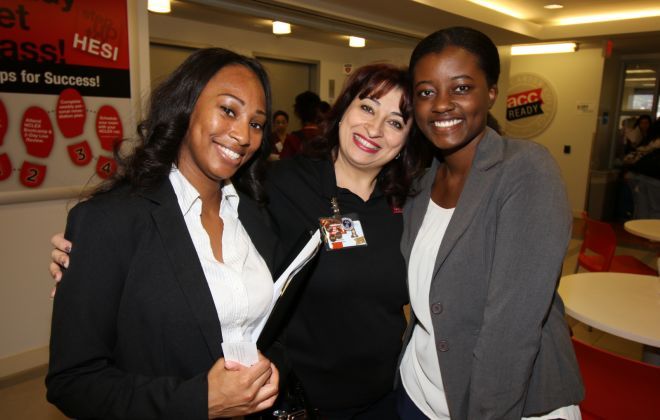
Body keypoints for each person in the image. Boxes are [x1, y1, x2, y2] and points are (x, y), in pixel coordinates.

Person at [50, 63, 426, 418]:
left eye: (395, 121)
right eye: (367, 107)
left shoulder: (411, 204)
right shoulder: (277, 185)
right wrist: (87, 262)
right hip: (302, 397)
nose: (375, 128)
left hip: (384, 395)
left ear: (408, 137)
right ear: (343, 109)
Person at [46, 48, 279, 420]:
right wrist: (200, 400)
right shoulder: (110, 220)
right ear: (186, 105)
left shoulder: (254, 216)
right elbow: (72, 381)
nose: (242, 135)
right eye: (229, 110)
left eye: (256, 123)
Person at [397, 27, 584, 419]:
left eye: (461, 88)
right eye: (426, 92)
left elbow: (511, 332)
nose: (442, 105)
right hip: (421, 391)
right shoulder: (421, 184)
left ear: (492, 93)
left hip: (503, 404)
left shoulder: (525, 170)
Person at [279, 90, 322, 159]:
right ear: (318, 111)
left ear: (297, 113)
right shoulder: (327, 137)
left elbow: (283, 164)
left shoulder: (292, 139)